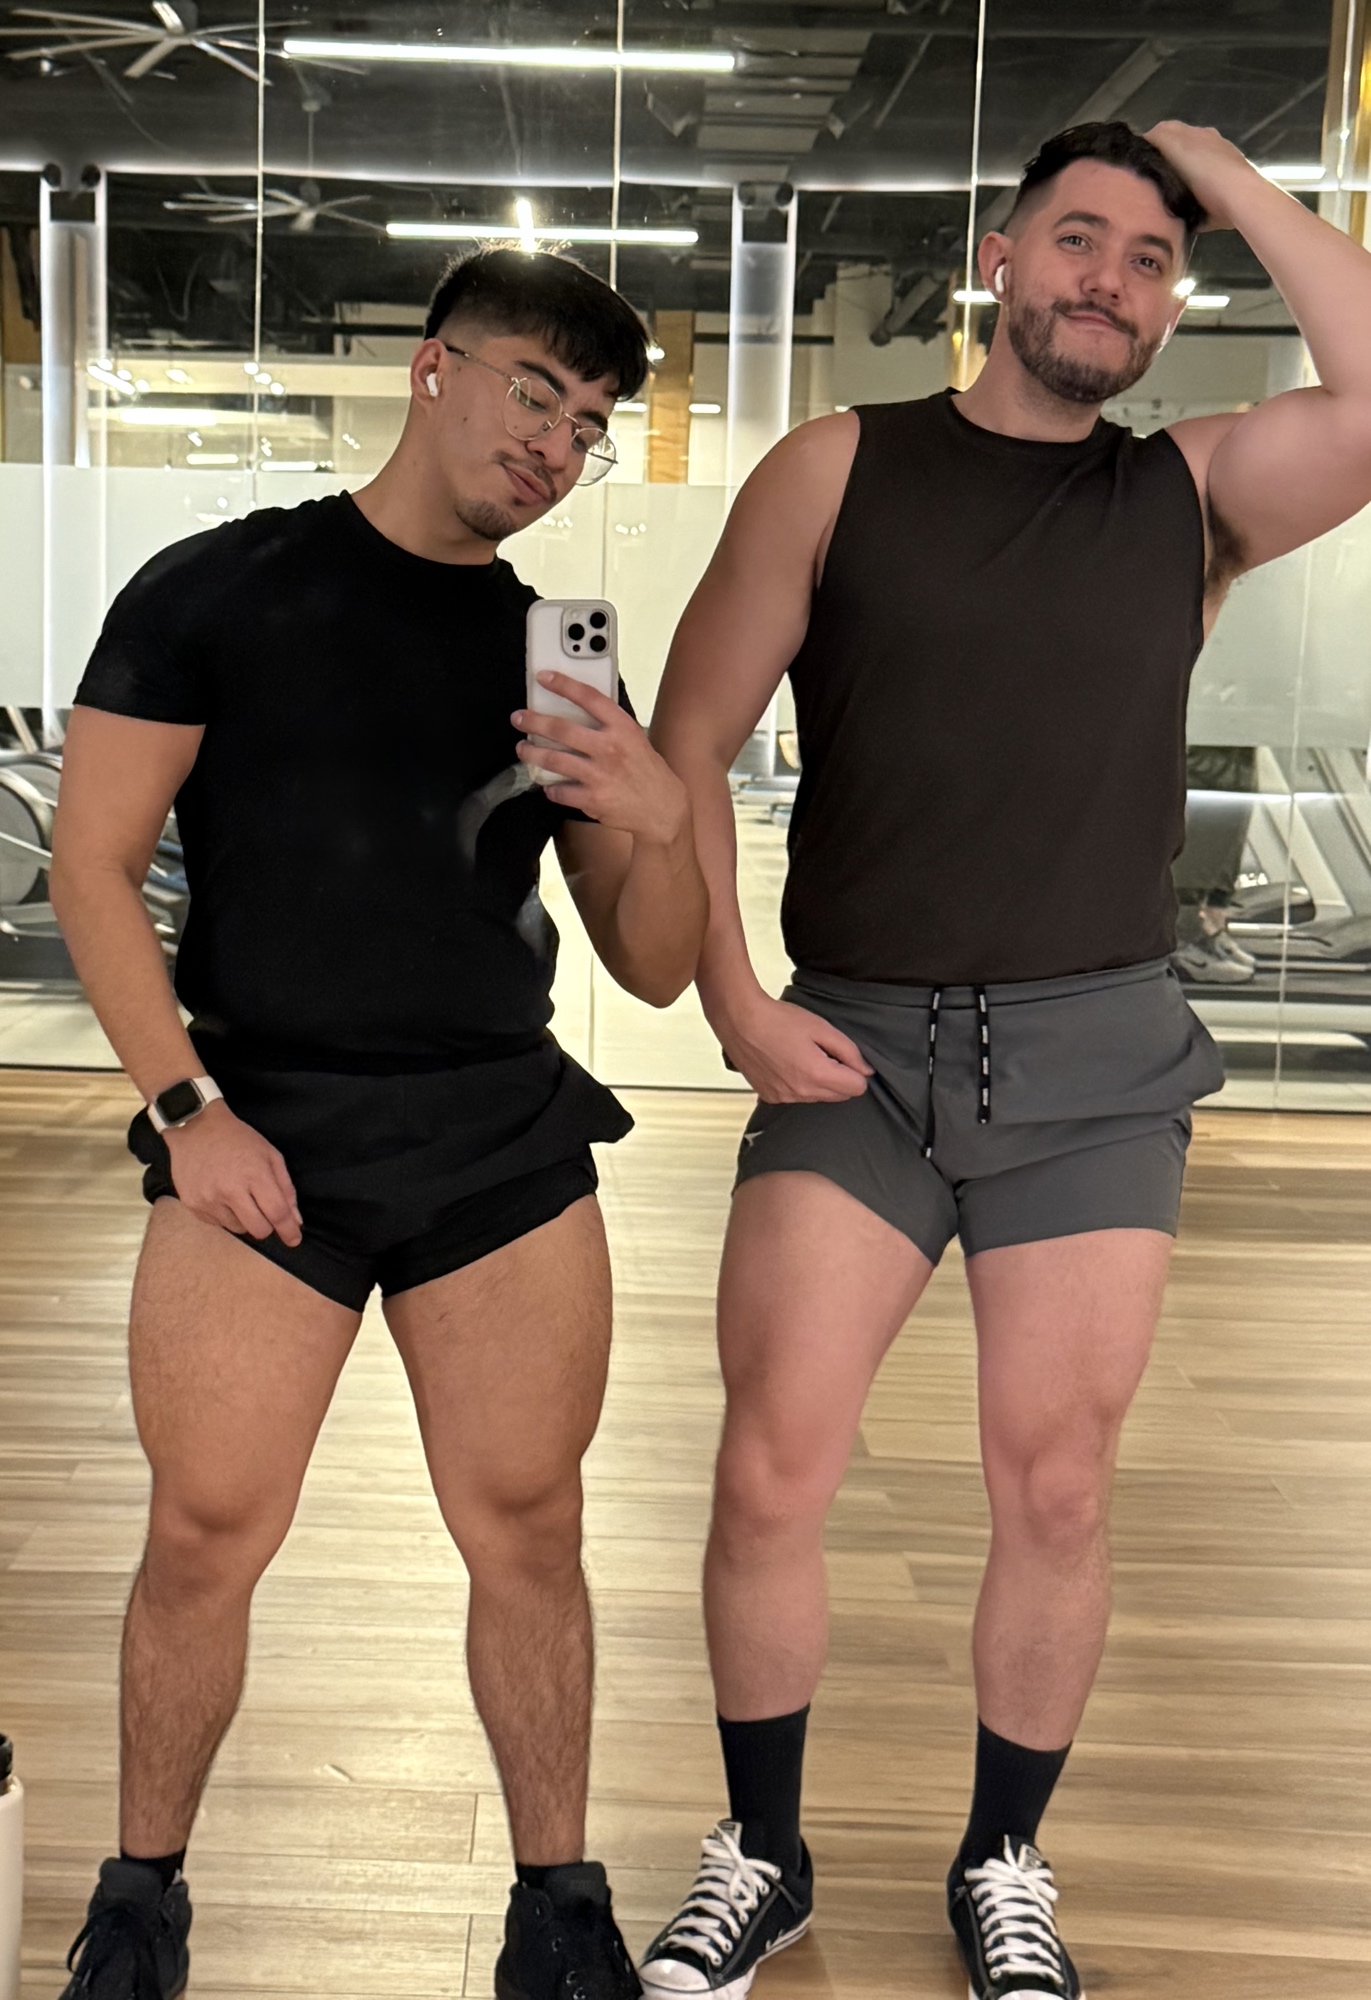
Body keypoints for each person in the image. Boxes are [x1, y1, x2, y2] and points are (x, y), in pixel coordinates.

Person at [642, 119, 1371, 2000]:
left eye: (1150, 259)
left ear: (1173, 304)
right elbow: (688, 742)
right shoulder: (836, 468)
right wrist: (731, 998)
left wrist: (1228, 171)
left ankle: (1002, 1859)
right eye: (1077, 239)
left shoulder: (1191, 497)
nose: (1108, 281)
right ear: (998, 257)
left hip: (1096, 1061)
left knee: (1057, 1489)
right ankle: (763, 1851)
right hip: (859, 1047)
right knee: (770, 1471)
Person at [49, 248, 707, 2000]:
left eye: (588, 423)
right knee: (205, 1534)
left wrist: (660, 817)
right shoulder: (219, 590)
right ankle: (139, 1909)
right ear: (434, 370)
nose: (556, 444)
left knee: (532, 1529)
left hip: (497, 1136)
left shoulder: (556, 657)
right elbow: (92, 865)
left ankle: (559, 1915)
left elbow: (651, 968)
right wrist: (188, 1111)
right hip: (264, 1124)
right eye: (533, 392)